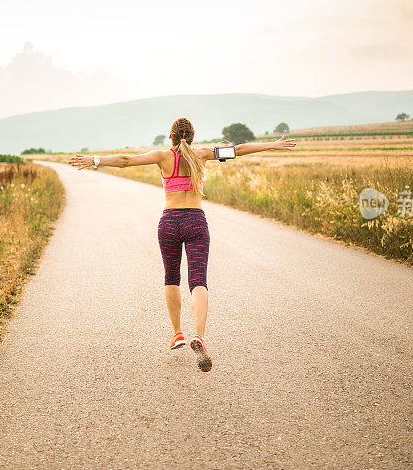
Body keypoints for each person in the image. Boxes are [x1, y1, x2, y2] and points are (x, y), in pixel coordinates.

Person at [70, 117, 296, 371]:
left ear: (171, 137)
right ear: (193, 135)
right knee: (198, 281)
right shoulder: (202, 154)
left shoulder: (162, 156)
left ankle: (177, 333)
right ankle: (198, 335)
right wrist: (273, 145)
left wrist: (95, 160)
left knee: (171, 277)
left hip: (168, 222)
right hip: (195, 221)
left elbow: (125, 161)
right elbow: (239, 150)